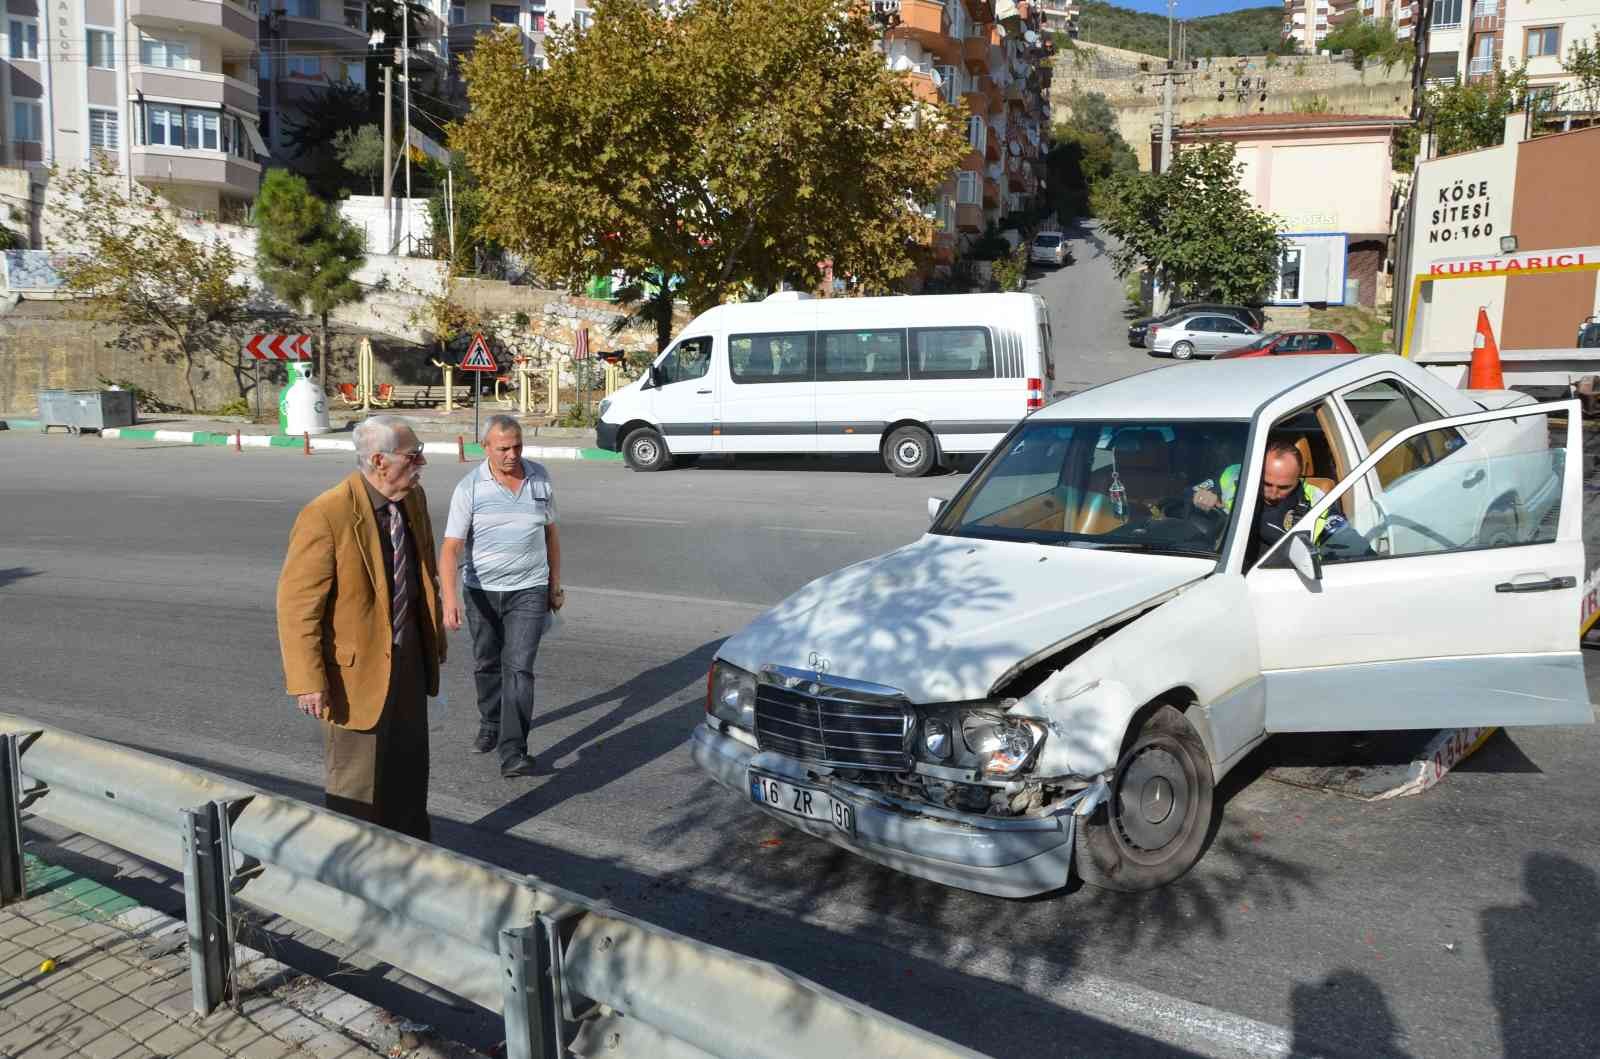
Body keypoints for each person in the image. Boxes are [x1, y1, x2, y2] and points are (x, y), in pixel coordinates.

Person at [276, 415, 445, 840]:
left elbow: (424, 569)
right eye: (413, 454)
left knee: (408, 776)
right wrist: (308, 681)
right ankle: (354, 881)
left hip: (408, 663)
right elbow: (298, 606)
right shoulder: (326, 515)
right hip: (354, 677)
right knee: (357, 788)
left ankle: (410, 864)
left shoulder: (413, 499)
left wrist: (433, 635)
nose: (421, 461)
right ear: (379, 461)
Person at [440, 415, 563, 779]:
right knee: (486, 663)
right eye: (504, 448)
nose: (513, 454)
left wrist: (554, 584)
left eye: (517, 446)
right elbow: (450, 549)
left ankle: (513, 751)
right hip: (482, 592)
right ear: (486, 448)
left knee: (520, 669)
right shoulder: (470, 488)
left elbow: (551, 534)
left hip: (529, 589)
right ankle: (491, 721)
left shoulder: (539, 477)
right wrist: (450, 599)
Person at [1192, 436, 1335, 564]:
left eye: (1284, 487)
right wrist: (1200, 496)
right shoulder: (1234, 475)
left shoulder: (1319, 501)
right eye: (1266, 484)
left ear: (1298, 478)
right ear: (1257, 469)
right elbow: (1187, 494)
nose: (1273, 494)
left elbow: (1345, 548)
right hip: (1220, 564)